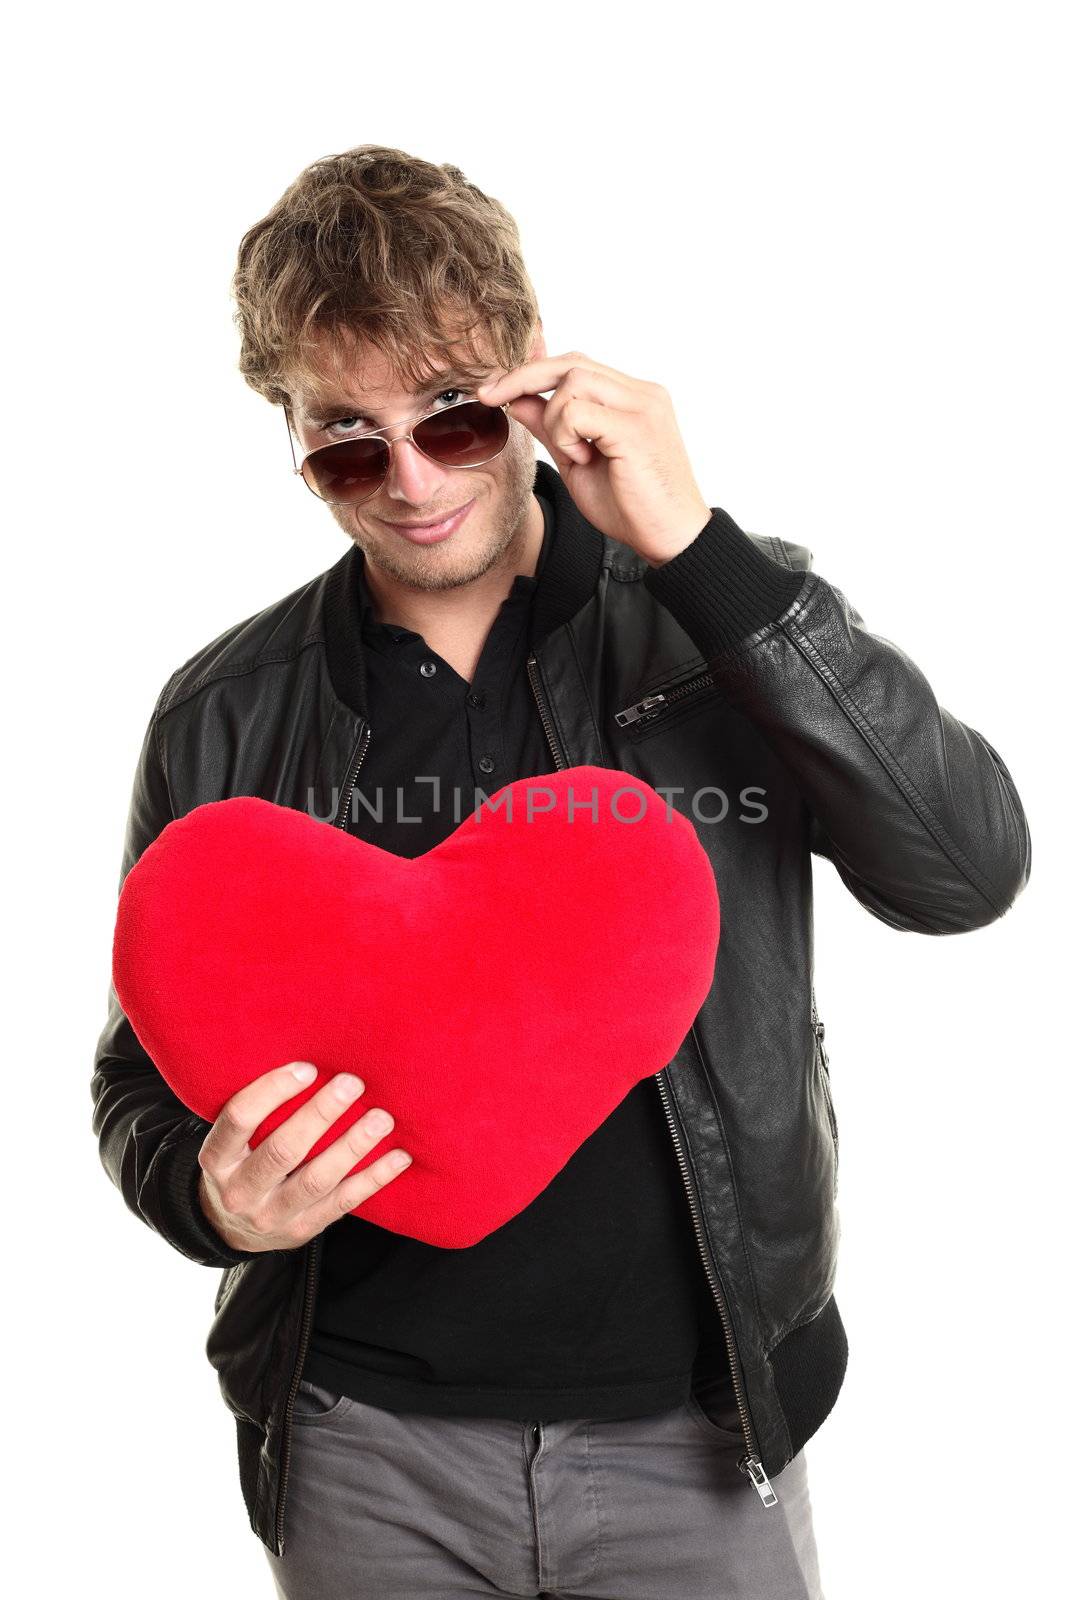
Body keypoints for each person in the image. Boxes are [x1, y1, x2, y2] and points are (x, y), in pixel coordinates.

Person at [91, 144, 1031, 1600]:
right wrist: (217, 1206)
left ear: (532, 379)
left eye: (452, 421)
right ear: (288, 433)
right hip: (362, 1444)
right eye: (346, 440)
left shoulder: (712, 620)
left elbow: (965, 871)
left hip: (701, 1430)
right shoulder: (226, 710)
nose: (409, 485)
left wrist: (703, 555)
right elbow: (139, 1084)